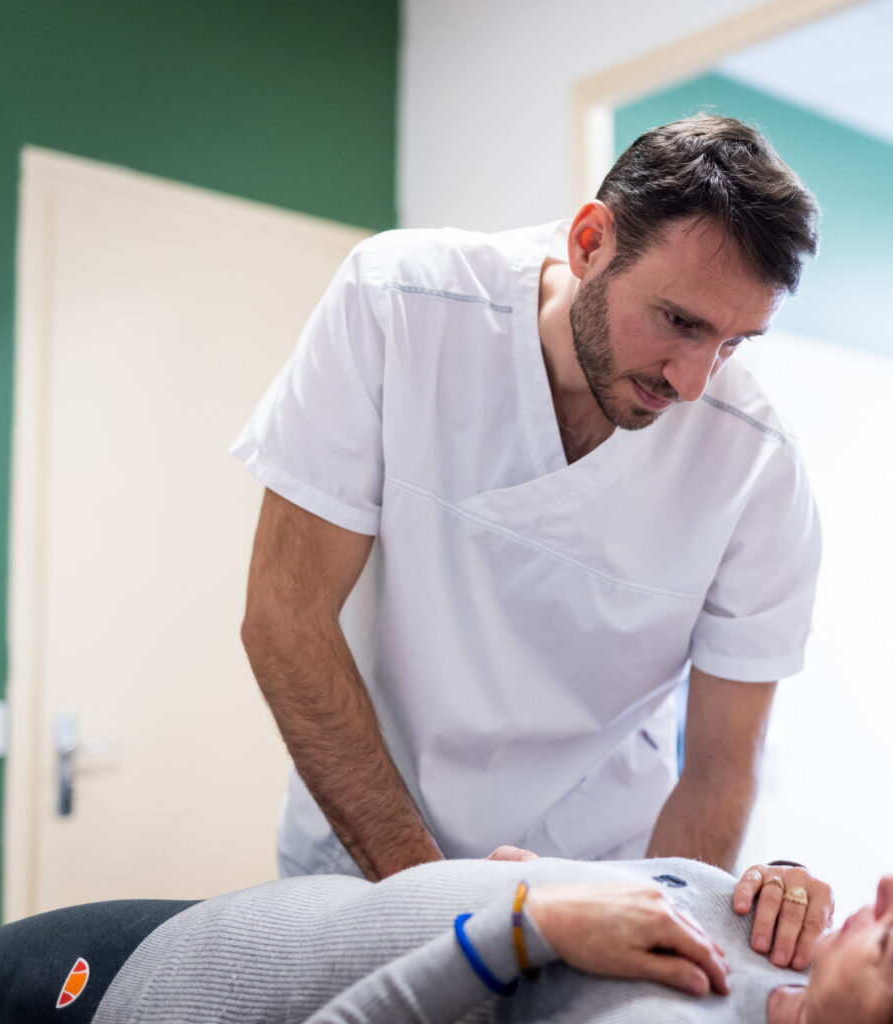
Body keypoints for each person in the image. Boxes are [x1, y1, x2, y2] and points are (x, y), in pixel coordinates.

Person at [231, 114, 827, 960]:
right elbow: (284, 619)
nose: (692, 382)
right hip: (369, 851)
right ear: (591, 241)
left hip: (602, 876)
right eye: (678, 322)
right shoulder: (399, 303)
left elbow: (719, 768)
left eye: (733, 343)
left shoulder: (756, 466)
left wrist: (652, 940)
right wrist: (445, 916)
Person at [0, 857, 893, 1023]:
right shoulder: (791, 954)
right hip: (229, 928)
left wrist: (520, 930)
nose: (882, 885)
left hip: (148, 1001)